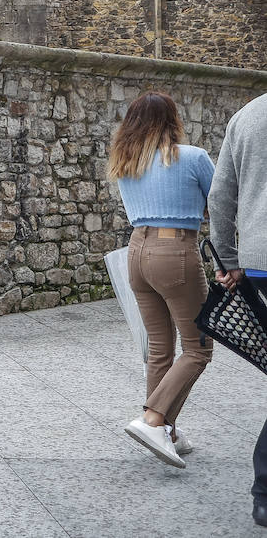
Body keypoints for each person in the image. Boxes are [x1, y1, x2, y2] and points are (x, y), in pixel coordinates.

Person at [109, 91, 214, 469]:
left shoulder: (126, 162)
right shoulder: (193, 158)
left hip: (136, 253)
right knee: (199, 348)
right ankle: (152, 419)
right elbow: (217, 203)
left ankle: (165, 430)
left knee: (159, 349)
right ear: (173, 119)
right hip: (175, 252)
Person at [208, 92, 267, 525]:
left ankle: (264, 490)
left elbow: (220, 195)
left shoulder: (247, 115)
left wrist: (228, 260)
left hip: (259, 260)